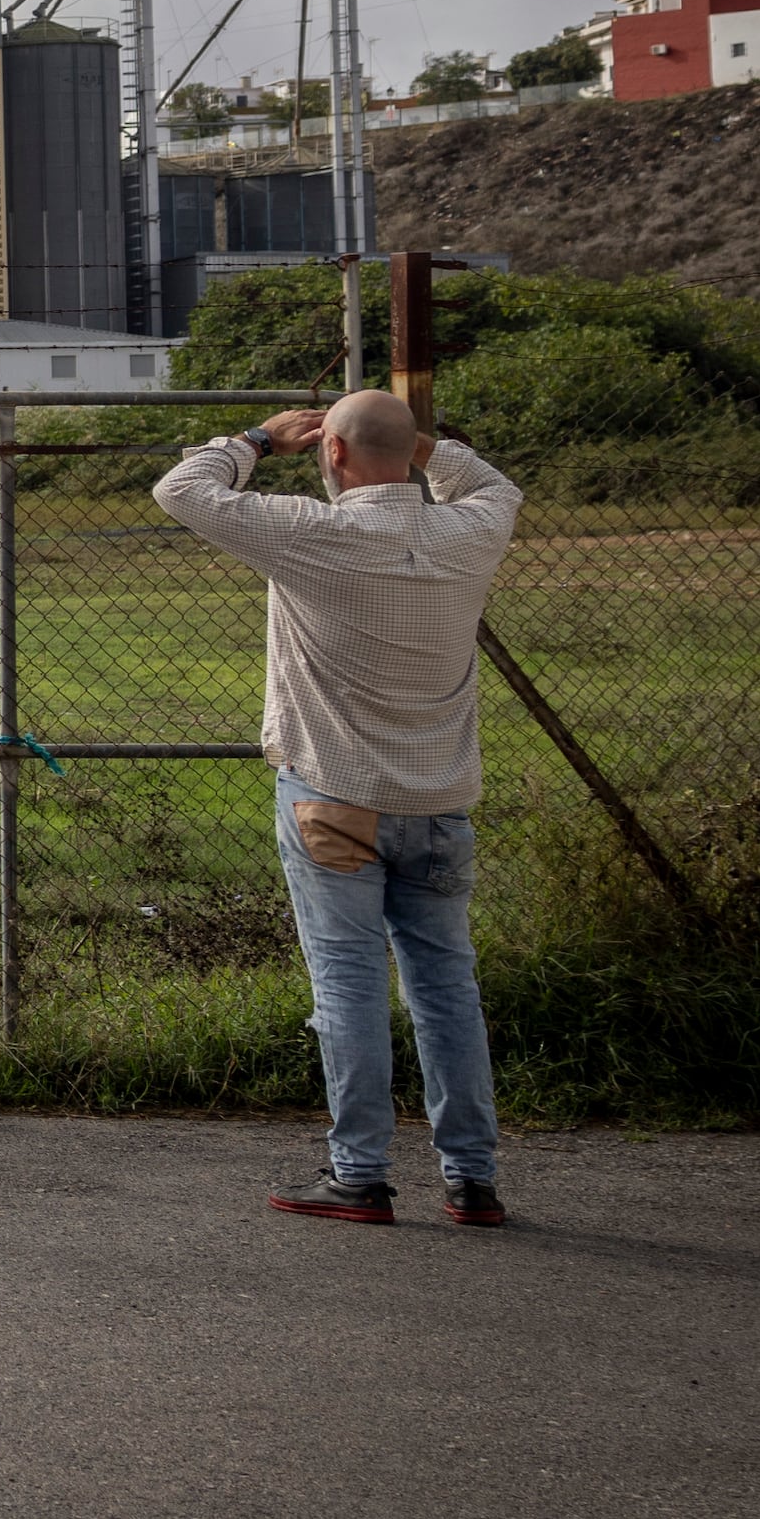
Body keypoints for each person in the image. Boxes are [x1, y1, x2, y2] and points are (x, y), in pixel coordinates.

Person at [152, 388, 525, 1226]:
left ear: (333, 454)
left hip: (334, 799)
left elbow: (181, 489)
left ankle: (360, 1173)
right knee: (447, 988)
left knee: (349, 986)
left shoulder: (313, 532)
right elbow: (495, 483)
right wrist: (419, 447)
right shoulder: (473, 529)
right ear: (410, 451)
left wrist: (254, 438)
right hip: (439, 803)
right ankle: (472, 1178)